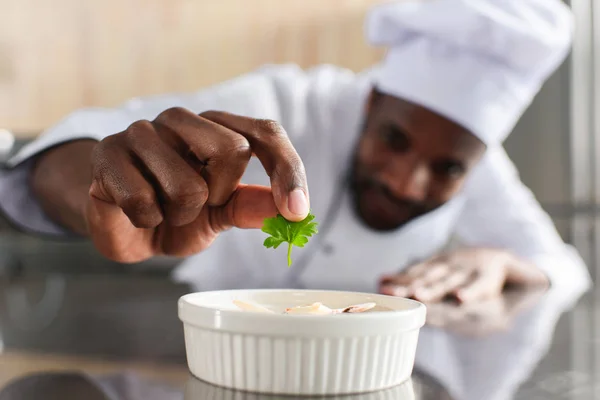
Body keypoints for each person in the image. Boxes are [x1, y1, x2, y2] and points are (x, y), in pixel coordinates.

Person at [0, 0, 591, 303]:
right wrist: (102, 188)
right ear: (370, 102)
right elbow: (67, 158)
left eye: (448, 167)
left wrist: (503, 262)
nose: (409, 182)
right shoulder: (280, 103)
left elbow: (565, 268)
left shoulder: (480, 175)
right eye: (395, 138)